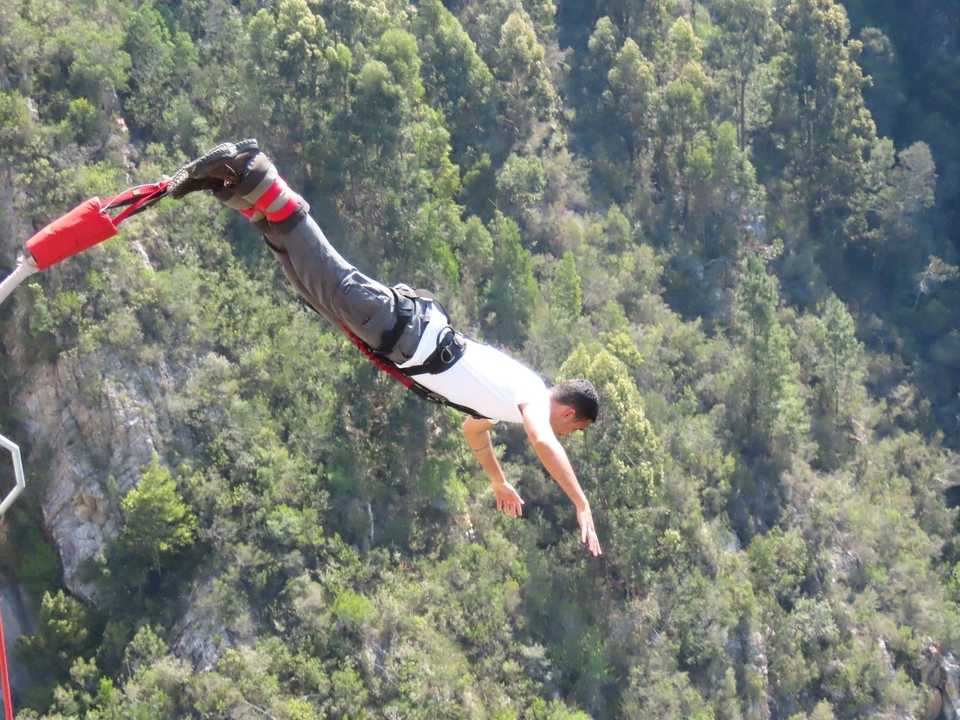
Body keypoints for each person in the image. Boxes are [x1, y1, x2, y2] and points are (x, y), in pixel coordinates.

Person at [169, 140, 603, 556]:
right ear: (569, 414)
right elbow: (543, 440)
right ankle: (254, 167)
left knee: (303, 277)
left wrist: (496, 480)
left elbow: (474, 431)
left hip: (390, 337)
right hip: (397, 327)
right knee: (322, 268)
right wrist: (580, 502)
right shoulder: (529, 392)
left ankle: (232, 185)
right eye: (574, 430)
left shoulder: (508, 402)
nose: (566, 435)